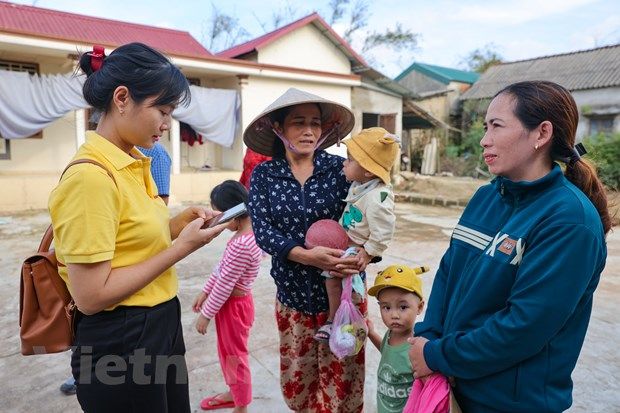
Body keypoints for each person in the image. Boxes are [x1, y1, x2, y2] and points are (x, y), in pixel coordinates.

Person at [409, 81, 611, 413]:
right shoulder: (487, 196)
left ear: (541, 134)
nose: (484, 139)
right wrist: (428, 336)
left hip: (507, 402)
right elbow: (449, 272)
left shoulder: (569, 220)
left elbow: (525, 326)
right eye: (486, 127)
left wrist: (436, 355)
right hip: (453, 385)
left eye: (496, 126)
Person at [48, 42, 227, 412]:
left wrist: (177, 226)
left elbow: (130, 240)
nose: (166, 124)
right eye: (162, 110)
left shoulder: (133, 161)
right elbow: (92, 296)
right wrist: (181, 249)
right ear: (122, 98)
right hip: (120, 338)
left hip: (159, 321)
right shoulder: (91, 178)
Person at [245, 88, 367, 412]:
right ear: (279, 129)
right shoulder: (264, 175)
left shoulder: (342, 170)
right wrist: (305, 255)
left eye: (315, 122)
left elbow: (369, 216)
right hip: (294, 299)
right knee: (300, 382)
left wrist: (362, 255)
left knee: (344, 380)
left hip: (342, 299)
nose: (309, 130)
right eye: (299, 122)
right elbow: (263, 231)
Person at [315, 127, 399, 342]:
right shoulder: (362, 185)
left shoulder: (377, 197)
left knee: (334, 281)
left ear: (369, 170)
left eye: (349, 160)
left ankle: (337, 319)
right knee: (336, 282)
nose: (344, 163)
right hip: (346, 244)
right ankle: (341, 317)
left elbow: (384, 230)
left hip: (354, 249)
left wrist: (369, 252)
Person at [192, 180, 261, 413]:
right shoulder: (246, 235)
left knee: (235, 356)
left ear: (234, 211)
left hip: (234, 307)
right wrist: (205, 291)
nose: (219, 219)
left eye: (221, 213)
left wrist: (205, 315)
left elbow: (225, 283)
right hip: (231, 304)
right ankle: (234, 392)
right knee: (228, 353)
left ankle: (241, 406)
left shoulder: (243, 243)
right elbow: (222, 270)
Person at [366, 265, 428, 413]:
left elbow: (428, 383)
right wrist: (371, 333)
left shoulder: (417, 344)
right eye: (386, 308)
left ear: (419, 307)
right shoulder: (390, 333)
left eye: (403, 307)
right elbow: (388, 353)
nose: (394, 315)